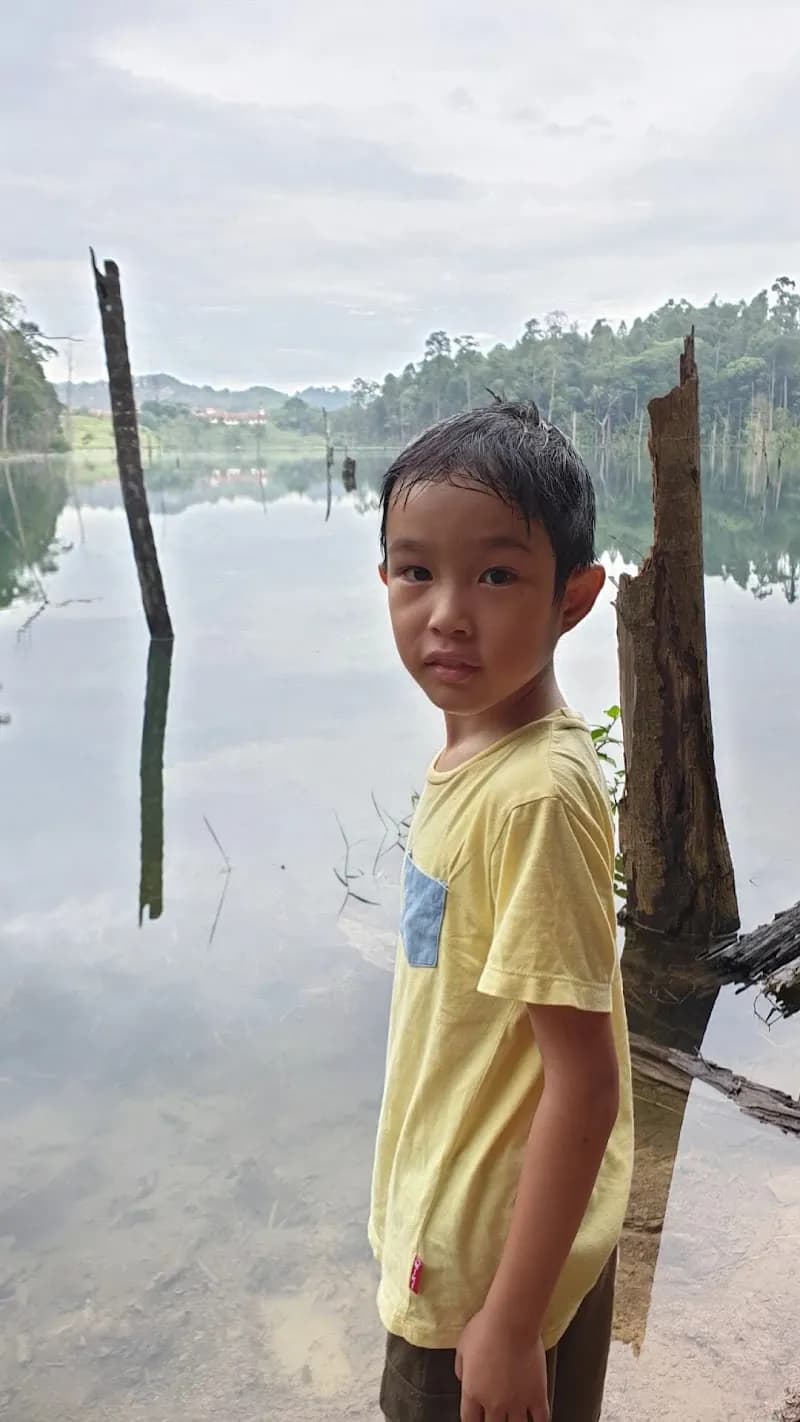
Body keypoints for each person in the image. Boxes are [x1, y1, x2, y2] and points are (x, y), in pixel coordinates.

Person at [368, 401, 634, 1422]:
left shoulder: (533, 797)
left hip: (489, 1279)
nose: (446, 611)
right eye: (415, 571)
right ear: (383, 581)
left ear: (572, 598)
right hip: (473, 1235)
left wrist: (511, 1322)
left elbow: (584, 1080)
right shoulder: (478, 763)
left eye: (494, 575)